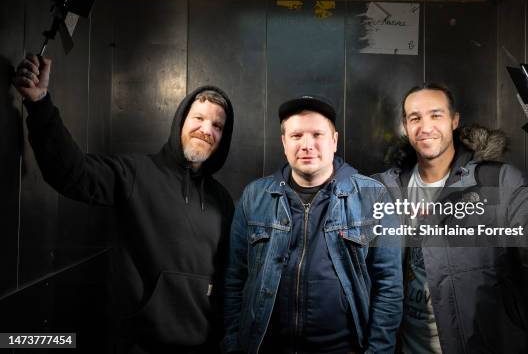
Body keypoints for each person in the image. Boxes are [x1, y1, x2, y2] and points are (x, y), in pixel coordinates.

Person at [12, 54, 235, 353]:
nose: (207, 130)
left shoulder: (222, 201)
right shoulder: (135, 174)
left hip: (204, 347)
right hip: (138, 345)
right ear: (181, 121)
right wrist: (40, 105)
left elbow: (229, 276)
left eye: (217, 126)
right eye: (198, 118)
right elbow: (71, 173)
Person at [373, 84, 528, 354]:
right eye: (415, 118)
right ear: (405, 126)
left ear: (454, 120)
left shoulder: (496, 181)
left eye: (436, 115)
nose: (425, 126)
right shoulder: (387, 188)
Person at [222, 95, 403, 354]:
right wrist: (232, 345)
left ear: (334, 140)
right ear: (284, 142)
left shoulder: (373, 196)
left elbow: (389, 287)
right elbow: (234, 280)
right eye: (296, 136)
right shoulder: (254, 196)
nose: (307, 145)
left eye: (317, 134)